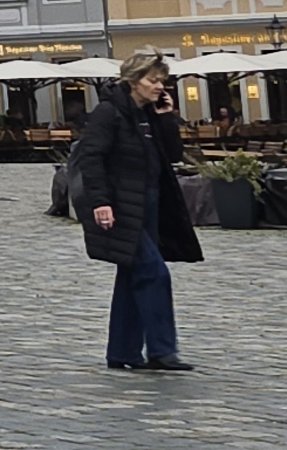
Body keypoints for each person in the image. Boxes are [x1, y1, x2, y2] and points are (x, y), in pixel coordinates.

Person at [65, 54, 201, 376]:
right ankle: (162, 350)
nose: (159, 86)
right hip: (121, 206)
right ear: (133, 80)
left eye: (161, 80)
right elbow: (91, 158)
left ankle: (122, 351)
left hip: (149, 203)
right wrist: (100, 202)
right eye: (152, 80)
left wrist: (167, 118)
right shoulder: (108, 112)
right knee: (154, 272)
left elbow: (172, 154)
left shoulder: (149, 113)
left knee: (131, 276)